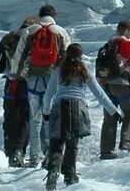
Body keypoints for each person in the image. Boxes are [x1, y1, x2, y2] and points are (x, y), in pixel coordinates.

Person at [40, 44, 120, 190]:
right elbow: (99, 94)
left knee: (57, 143)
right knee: (72, 143)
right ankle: (70, 175)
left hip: (59, 107)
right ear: (81, 56)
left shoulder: (58, 70)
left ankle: (53, 171)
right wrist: (113, 111)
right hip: (78, 108)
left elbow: (48, 95)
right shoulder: (84, 71)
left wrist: (46, 112)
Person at [17, 5, 72, 167]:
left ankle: (34, 158)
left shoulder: (30, 30)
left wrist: (19, 75)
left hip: (33, 78)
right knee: (51, 117)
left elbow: (19, 55)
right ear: (54, 16)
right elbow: (68, 55)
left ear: (40, 15)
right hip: (52, 78)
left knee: (35, 119)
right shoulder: (60, 31)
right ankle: (50, 154)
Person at [0, 16, 39, 167]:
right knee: (26, 118)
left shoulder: (9, 37)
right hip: (30, 84)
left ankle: (11, 154)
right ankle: (20, 151)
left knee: (10, 118)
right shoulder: (36, 37)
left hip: (11, 84)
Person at [97, 21, 130, 159]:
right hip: (121, 83)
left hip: (106, 84)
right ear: (128, 30)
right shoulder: (126, 42)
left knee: (110, 116)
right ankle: (127, 141)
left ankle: (106, 151)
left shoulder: (109, 44)